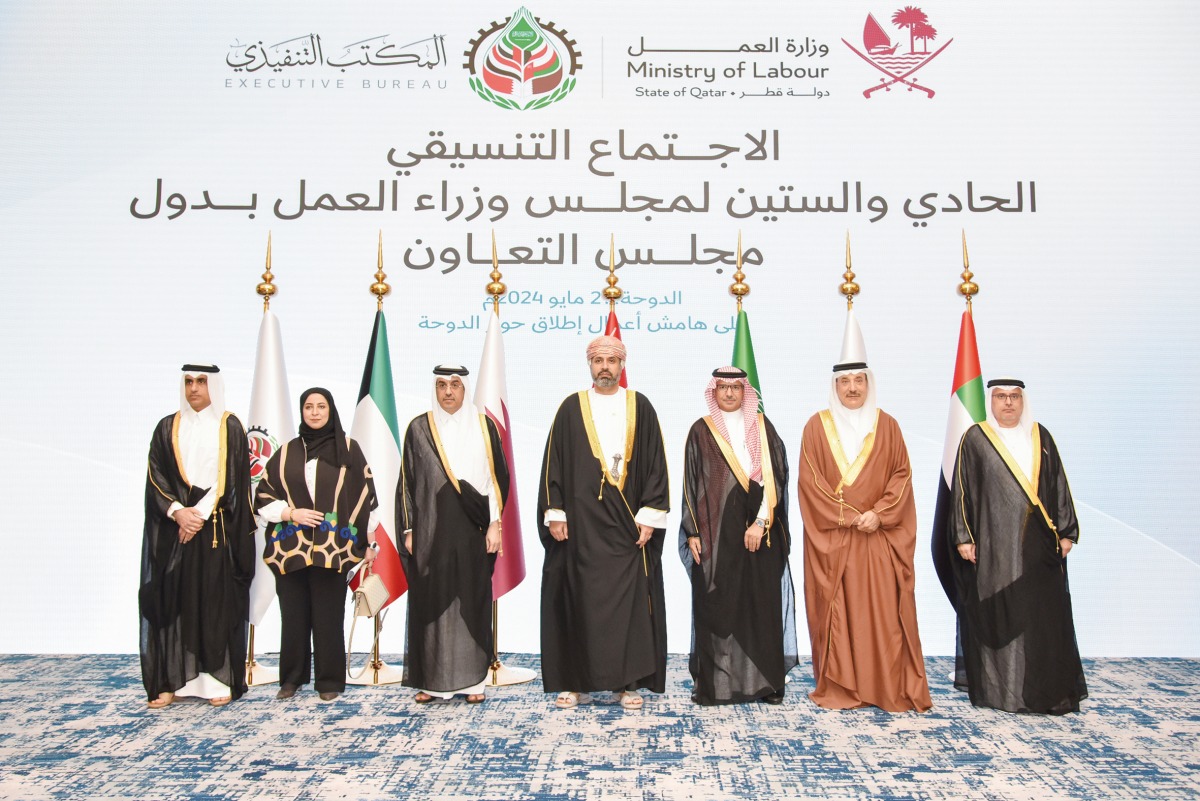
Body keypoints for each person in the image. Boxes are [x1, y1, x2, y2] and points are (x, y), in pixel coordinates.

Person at [538, 335, 670, 711]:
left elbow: (656, 465)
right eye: (598, 360)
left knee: (627, 607)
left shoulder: (639, 406)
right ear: (589, 365)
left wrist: (649, 516)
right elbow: (554, 464)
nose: (605, 367)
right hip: (580, 528)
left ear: (623, 364)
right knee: (579, 601)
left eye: (612, 360)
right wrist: (555, 512)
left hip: (627, 528)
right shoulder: (570, 407)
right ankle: (576, 683)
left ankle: (626, 684)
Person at [797, 358, 932, 713]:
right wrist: (849, 516)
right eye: (845, 381)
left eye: (859, 380)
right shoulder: (816, 427)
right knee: (840, 617)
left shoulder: (888, 426)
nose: (853, 388)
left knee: (884, 616)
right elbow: (810, 484)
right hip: (837, 542)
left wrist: (880, 514)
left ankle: (885, 687)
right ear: (835, 386)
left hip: (878, 540)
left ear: (869, 384)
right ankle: (843, 686)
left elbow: (901, 476)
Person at [949, 378, 1086, 714]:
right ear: (990, 401)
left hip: (1039, 547)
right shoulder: (976, 438)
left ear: (1023, 401)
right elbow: (962, 490)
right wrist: (964, 537)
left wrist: (1067, 533)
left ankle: (1043, 693)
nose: (1008, 403)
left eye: (1014, 397)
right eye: (1000, 397)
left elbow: (1058, 484)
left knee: (1040, 616)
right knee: (1001, 613)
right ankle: (1002, 694)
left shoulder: (1041, 436)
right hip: (995, 548)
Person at [139, 364, 256, 708]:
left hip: (215, 529)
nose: (194, 388)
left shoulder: (229, 426)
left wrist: (198, 515)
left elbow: (232, 479)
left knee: (213, 602)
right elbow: (154, 476)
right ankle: (169, 680)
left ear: (213, 386)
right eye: (189, 381)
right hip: (174, 530)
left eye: (201, 382)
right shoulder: (167, 427)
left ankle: (216, 679)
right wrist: (178, 511)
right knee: (171, 600)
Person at [679, 367, 797, 705]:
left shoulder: (762, 427)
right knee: (716, 604)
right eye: (723, 388)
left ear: (745, 392)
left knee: (761, 604)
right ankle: (716, 684)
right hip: (716, 534)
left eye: (735, 388)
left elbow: (778, 477)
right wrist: (693, 531)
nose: (729, 394)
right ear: (713, 392)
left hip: (760, 531)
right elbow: (690, 483)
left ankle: (768, 682)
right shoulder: (701, 430)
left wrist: (760, 522)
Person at [253, 388, 378, 702]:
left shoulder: (349, 450)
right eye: (308, 406)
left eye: (321, 406)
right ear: (302, 411)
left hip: (333, 550)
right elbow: (263, 497)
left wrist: (369, 543)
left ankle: (329, 681)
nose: (315, 412)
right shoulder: (285, 452)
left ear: (331, 410)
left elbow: (367, 501)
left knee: (328, 617)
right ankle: (291, 680)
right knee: (293, 617)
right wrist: (290, 513)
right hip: (290, 549)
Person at [397, 366, 510, 704]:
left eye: (455, 385)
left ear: (465, 389)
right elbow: (408, 483)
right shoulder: (419, 427)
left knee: (472, 598)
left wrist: (495, 524)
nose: (448, 392)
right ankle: (431, 682)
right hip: (431, 531)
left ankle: (474, 681)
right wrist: (409, 529)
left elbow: (496, 480)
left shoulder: (483, 425)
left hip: (473, 527)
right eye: (442, 385)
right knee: (431, 599)